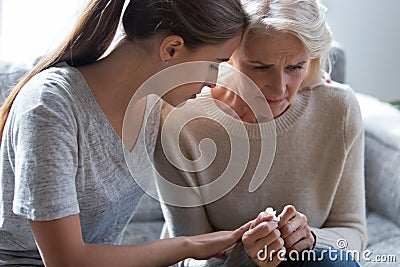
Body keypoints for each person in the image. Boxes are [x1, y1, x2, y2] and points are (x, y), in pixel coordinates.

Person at [0, 0, 251, 266]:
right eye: (215, 63)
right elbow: (66, 260)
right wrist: (188, 246)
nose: (213, 81)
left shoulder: (152, 105)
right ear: (172, 49)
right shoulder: (49, 107)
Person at [154, 0, 367, 266]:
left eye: (295, 67)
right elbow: (186, 257)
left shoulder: (338, 108)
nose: (279, 90)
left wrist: (311, 239)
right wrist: (245, 255)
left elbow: (354, 232)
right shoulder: (181, 121)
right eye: (260, 67)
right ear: (228, 56)